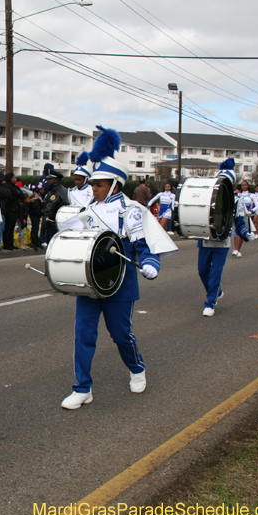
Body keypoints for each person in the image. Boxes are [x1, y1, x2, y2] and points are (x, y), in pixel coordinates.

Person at [60, 126, 177, 409]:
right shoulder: (88, 210)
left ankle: (137, 368)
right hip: (90, 282)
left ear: (114, 184)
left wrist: (150, 263)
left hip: (121, 283)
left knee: (121, 334)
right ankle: (82, 388)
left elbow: (143, 246)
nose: (93, 188)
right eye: (92, 184)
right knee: (83, 335)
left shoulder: (131, 210)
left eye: (98, 185)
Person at [197, 159, 256, 317]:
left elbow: (239, 220)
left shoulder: (236, 200)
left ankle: (210, 303)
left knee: (215, 273)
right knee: (202, 270)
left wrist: (245, 234)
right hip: (206, 237)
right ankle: (216, 292)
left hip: (222, 240)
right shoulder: (207, 195)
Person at [40, 168, 69, 244]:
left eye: (51, 179)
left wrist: (43, 227)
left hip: (53, 223)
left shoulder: (56, 192)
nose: (48, 181)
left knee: (52, 243)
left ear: (57, 179)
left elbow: (49, 209)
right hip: (57, 223)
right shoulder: (57, 190)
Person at [233, 180, 258, 257]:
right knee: (235, 231)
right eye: (242, 185)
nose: (244, 186)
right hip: (238, 215)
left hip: (246, 216)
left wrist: (252, 210)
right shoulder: (238, 195)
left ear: (248, 186)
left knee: (243, 232)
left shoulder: (252, 195)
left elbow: (257, 206)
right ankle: (236, 249)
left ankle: (238, 249)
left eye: (245, 185)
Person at [1, 171, 24, 250]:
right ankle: (6, 244)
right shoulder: (6, 187)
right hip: (9, 209)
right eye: (14, 178)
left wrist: (16, 195)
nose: (15, 179)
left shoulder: (15, 187)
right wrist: (15, 195)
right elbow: (10, 194)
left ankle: (11, 243)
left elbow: (21, 194)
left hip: (15, 209)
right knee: (8, 227)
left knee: (12, 227)